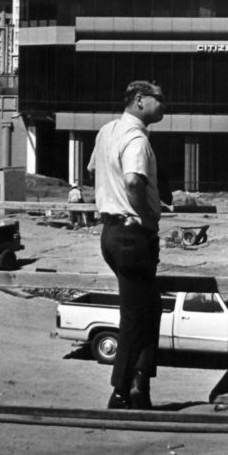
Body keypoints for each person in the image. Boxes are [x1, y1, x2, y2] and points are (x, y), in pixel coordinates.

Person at [87, 79, 167, 410]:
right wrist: (147, 212)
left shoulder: (107, 132)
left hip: (111, 233)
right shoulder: (136, 138)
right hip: (133, 234)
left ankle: (140, 385)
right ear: (138, 100)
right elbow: (133, 179)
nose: (164, 105)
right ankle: (121, 391)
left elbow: (94, 167)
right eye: (158, 99)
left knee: (149, 308)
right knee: (135, 315)